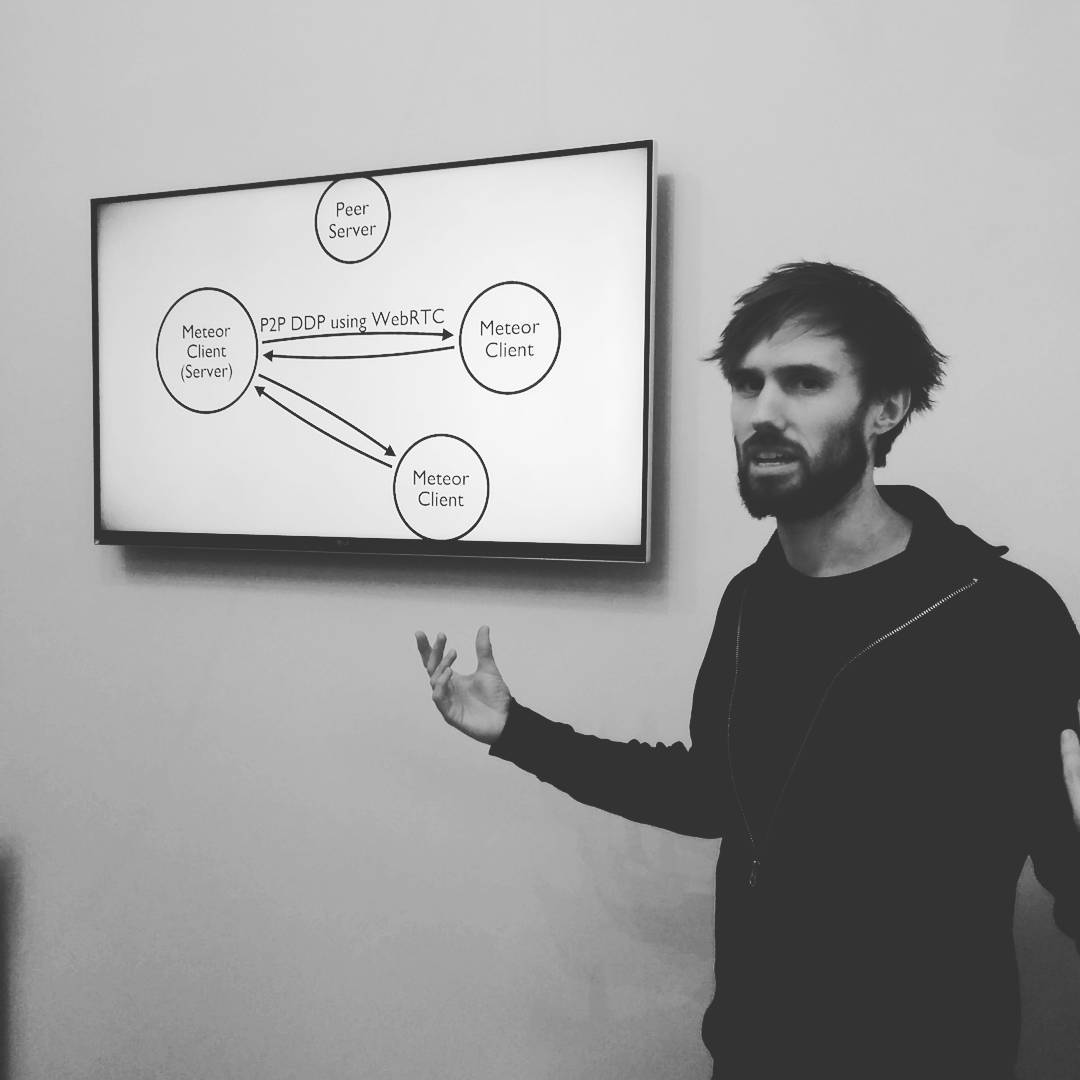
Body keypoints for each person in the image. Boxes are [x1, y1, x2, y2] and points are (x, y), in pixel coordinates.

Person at [415, 262, 1080, 1079]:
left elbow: (1068, 864)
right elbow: (715, 795)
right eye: (746, 382)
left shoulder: (1002, 615)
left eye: (804, 381)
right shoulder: (752, 601)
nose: (763, 411)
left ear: (886, 408)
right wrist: (518, 731)